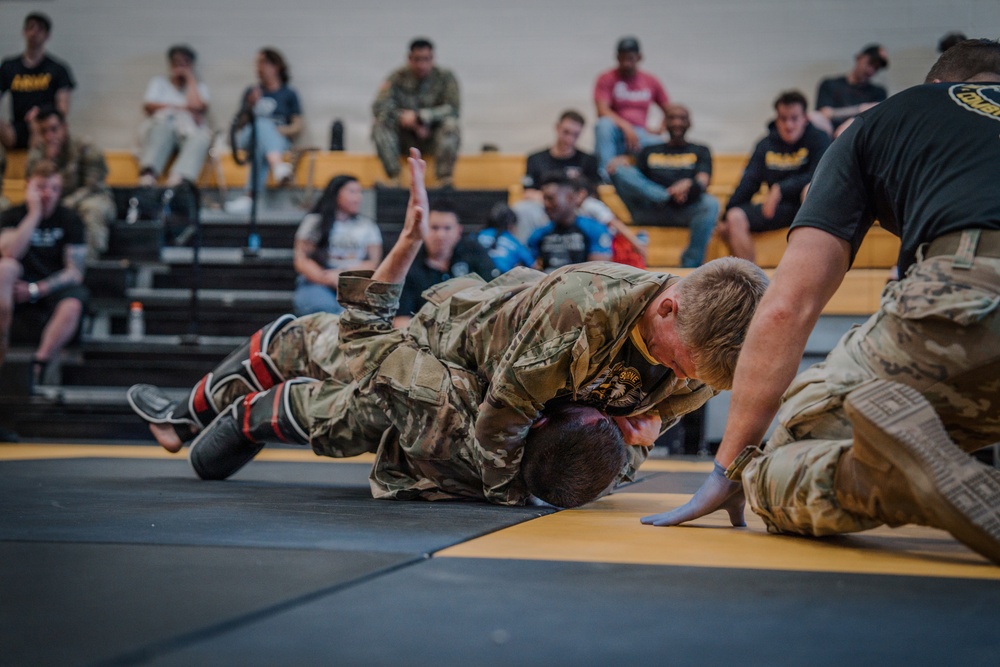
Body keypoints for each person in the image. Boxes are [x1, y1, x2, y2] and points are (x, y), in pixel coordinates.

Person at [130, 148, 770, 507]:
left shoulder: (706, 359)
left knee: (339, 394)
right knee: (311, 344)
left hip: (472, 400)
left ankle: (206, 419)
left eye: (698, 379)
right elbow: (501, 418)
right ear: (667, 307)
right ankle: (183, 413)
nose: (682, 381)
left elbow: (621, 449)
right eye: (683, 363)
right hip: (446, 346)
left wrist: (626, 449)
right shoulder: (584, 310)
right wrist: (512, 490)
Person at [641, 39, 1000, 566]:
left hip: (968, 290)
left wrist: (729, 469)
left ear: (935, 87)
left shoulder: (890, 117)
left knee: (778, 464)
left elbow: (789, 304)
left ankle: (892, 483)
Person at [716, 91, 830, 264]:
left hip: (805, 208)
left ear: (805, 118)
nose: (788, 125)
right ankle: (752, 280)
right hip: (775, 208)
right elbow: (749, 182)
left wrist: (780, 189)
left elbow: (818, 175)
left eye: (794, 118)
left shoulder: (819, 139)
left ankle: (814, 264)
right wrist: (725, 218)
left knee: (809, 190)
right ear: (777, 119)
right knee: (735, 216)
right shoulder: (765, 144)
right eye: (783, 119)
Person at [0, 159, 87, 384]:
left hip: (50, 289)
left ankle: (39, 365)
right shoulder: (12, 216)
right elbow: (9, 253)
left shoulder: (70, 219)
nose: (48, 194)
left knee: (74, 301)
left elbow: (74, 272)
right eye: (41, 187)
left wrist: (37, 289)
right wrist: (34, 215)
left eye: (54, 188)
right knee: (5, 268)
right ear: (28, 186)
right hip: (15, 290)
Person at [607, 104, 719, 268]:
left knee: (711, 203)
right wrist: (621, 161)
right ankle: (663, 195)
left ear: (689, 123)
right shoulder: (649, 150)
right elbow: (637, 182)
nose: (677, 122)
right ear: (664, 123)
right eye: (672, 118)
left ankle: (690, 265)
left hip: (683, 210)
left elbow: (703, 182)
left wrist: (689, 183)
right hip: (649, 209)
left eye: (682, 118)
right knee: (618, 170)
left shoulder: (700, 150)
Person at [26, 107, 115, 259]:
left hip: (90, 197)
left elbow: (92, 187)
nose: (49, 136)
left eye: (54, 129)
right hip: (55, 201)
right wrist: (48, 161)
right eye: (43, 131)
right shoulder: (37, 154)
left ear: (64, 127)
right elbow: (30, 184)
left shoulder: (86, 147)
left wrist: (64, 204)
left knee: (92, 209)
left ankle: (88, 264)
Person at [372, 38, 460, 187]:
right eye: (417, 59)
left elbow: (453, 109)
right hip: (405, 138)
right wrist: (407, 120)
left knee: (451, 126)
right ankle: (394, 178)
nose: (422, 65)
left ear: (433, 59)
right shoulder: (397, 77)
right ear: (409, 59)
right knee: (381, 124)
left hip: (433, 137)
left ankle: (444, 180)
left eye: (426, 59)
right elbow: (379, 106)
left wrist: (421, 117)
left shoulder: (445, 78)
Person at [225, 48, 302, 215]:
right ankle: (278, 167)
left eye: (262, 63)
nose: (258, 68)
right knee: (260, 124)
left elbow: (297, 125)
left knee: (263, 144)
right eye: (257, 64)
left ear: (276, 66)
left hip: (276, 139)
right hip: (249, 136)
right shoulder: (252, 92)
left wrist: (280, 130)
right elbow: (239, 125)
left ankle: (249, 197)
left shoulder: (288, 94)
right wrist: (250, 105)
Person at [394, 198, 494, 326]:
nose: (441, 235)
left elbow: (494, 296)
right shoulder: (409, 265)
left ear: (458, 231)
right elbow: (401, 320)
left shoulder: (474, 253)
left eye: (447, 228)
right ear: (423, 229)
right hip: (423, 338)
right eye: (434, 228)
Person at [292, 174, 382, 316]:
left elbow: (373, 262)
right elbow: (301, 259)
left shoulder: (367, 226)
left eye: (360, 192)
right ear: (336, 193)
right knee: (322, 310)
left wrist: (342, 276)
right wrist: (325, 278)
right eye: (352, 192)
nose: (358, 198)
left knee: (355, 314)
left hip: (354, 280)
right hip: (318, 279)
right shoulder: (314, 222)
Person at [513, 109, 600, 243]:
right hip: (544, 208)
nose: (569, 139)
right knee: (521, 209)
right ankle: (523, 255)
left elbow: (592, 193)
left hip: (575, 210)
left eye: (575, 135)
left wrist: (567, 204)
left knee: (594, 208)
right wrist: (555, 201)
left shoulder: (588, 160)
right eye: (566, 132)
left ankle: (595, 254)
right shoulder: (535, 159)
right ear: (557, 128)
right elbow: (528, 192)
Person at [137, 44, 212, 188]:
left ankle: (177, 180)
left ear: (191, 65)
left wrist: (190, 79)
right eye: (177, 62)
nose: (180, 67)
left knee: (201, 138)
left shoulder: (199, 87)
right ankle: (148, 176)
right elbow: (149, 106)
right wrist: (182, 108)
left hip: (187, 133)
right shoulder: (159, 83)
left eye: (185, 63)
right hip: (164, 129)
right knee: (162, 127)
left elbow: (199, 107)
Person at [593, 37, 669, 176]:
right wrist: (626, 126)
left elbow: (669, 110)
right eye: (622, 59)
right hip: (616, 132)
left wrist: (660, 128)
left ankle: (648, 175)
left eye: (630, 58)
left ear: (639, 57)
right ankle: (605, 175)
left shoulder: (651, 81)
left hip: (640, 134)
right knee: (603, 125)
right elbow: (602, 110)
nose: (626, 63)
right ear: (617, 58)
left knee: (660, 144)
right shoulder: (606, 78)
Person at [0, 12, 75, 151]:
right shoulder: (9, 66)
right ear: (24, 32)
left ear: (47, 35)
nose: (34, 32)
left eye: (40, 29)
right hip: (17, 129)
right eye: (30, 27)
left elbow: (63, 110)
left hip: (45, 127)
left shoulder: (58, 69)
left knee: (44, 129)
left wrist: (40, 114)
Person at [528, 173, 613, 272]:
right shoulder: (539, 233)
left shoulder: (594, 229)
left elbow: (600, 274)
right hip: (547, 284)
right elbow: (529, 269)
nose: (546, 205)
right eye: (544, 199)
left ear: (570, 198)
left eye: (550, 199)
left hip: (583, 285)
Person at [811, 44, 889, 138]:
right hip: (829, 135)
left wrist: (837, 116)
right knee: (813, 117)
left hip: (858, 137)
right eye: (870, 63)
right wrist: (860, 109)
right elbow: (823, 114)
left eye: (876, 68)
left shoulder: (878, 92)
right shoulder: (830, 84)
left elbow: (876, 120)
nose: (871, 70)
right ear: (859, 58)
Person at [476, 203, 534, 277]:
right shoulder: (513, 242)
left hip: (477, 278)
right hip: (501, 280)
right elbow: (532, 265)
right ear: (510, 225)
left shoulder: (477, 235)